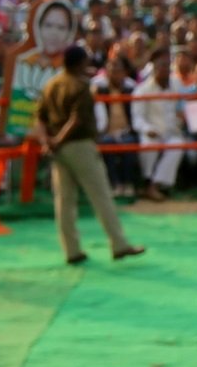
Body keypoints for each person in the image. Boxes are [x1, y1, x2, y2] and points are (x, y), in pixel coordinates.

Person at [33, 44, 143, 266]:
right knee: (100, 195)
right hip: (79, 145)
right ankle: (119, 244)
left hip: (58, 148)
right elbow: (77, 119)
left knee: (64, 200)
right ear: (80, 63)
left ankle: (71, 250)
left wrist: (48, 141)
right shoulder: (81, 86)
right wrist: (59, 140)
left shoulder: (51, 85)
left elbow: (40, 117)